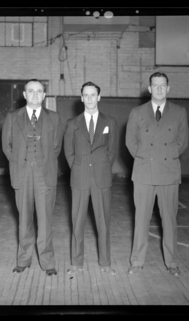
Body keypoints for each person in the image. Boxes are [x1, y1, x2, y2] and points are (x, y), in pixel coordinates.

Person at [125, 72, 189, 277]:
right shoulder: (137, 112)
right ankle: (136, 262)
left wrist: (166, 158)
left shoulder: (180, 112)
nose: (159, 88)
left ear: (168, 89)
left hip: (168, 173)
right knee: (141, 219)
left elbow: (182, 142)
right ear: (149, 89)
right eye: (155, 85)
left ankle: (172, 263)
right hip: (144, 172)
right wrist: (145, 158)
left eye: (163, 85)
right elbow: (130, 142)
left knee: (169, 220)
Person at [1, 79, 63, 277]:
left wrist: (41, 163)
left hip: (45, 175)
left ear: (44, 96)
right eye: (31, 91)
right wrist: (20, 163)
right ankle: (23, 260)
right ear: (25, 95)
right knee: (24, 219)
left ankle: (47, 262)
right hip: (22, 174)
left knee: (45, 221)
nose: (35, 95)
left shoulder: (54, 118)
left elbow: (56, 147)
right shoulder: (13, 117)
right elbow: (7, 146)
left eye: (39, 91)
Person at [64, 81, 119, 276]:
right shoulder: (72, 123)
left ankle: (105, 263)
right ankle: (76, 264)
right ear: (81, 98)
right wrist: (78, 169)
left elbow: (111, 151)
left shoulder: (110, 122)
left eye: (93, 95)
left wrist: (101, 167)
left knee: (103, 222)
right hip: (79, 178)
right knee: (77, 222)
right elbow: (68, 152)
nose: (89, 98)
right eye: (85, 95)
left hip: (101, 178)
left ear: (99, 97)